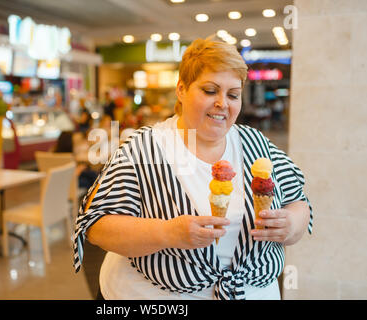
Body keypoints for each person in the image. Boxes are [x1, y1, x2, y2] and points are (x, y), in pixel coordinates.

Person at [74, 38, 313, 300]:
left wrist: (290, 225)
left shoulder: (257, 144)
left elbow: (299, 203)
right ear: (181, 90)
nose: (223, 103)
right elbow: (97, 225)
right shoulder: (144, 147)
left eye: (233, 94)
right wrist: (168, 233)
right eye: (210, 91)